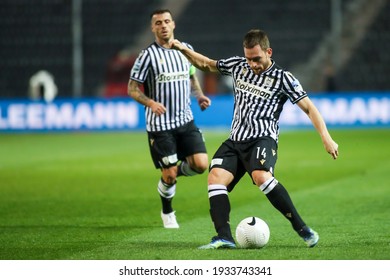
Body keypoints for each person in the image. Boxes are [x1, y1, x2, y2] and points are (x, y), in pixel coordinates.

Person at [171, 29, 339, 248]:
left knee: (261, 176)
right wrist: (183, 49)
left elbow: (309, 108)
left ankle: (303, 229)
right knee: (215, 178)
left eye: (257, 59)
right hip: (235, 139)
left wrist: (326, 138)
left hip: (262, 139)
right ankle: (224, 237)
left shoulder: (283, 79)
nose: (252, 64)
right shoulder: (238, 65)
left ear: (269, 52)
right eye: (249, 58)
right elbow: (207, 64)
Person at [128, 9, 211, 229]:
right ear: (152, 28)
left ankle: (171, 171)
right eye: (158, 23)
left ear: (173, 24)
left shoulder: (186, 49)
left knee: (202, 164)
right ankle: (167, 211)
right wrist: (150, 103)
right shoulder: (147, 56)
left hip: (185, 120)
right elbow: (132, 88)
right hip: (160, 127)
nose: (163, 26)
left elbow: (192, 75)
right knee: (170, 173)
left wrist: (200, 95)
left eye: (166, 21)